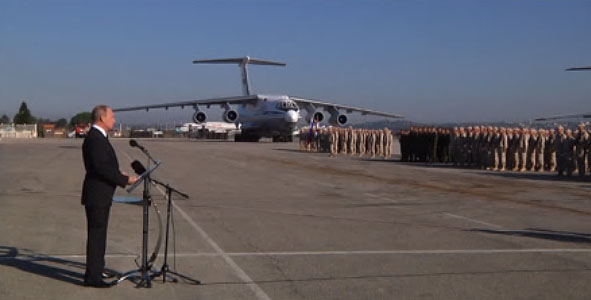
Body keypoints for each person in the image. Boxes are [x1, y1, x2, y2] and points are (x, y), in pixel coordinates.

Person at [81, 105, 138, 288]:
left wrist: (117, 172)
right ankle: (93, 278)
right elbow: (100, 167)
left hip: (101, 193)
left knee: (99, 235)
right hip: (97, 194)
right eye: (112, 117)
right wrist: (124, 179)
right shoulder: (96, 139)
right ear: (102, 119)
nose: (114, 120)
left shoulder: (99, 137)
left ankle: (97, 270)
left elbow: (104, 165)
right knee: (97, 236)